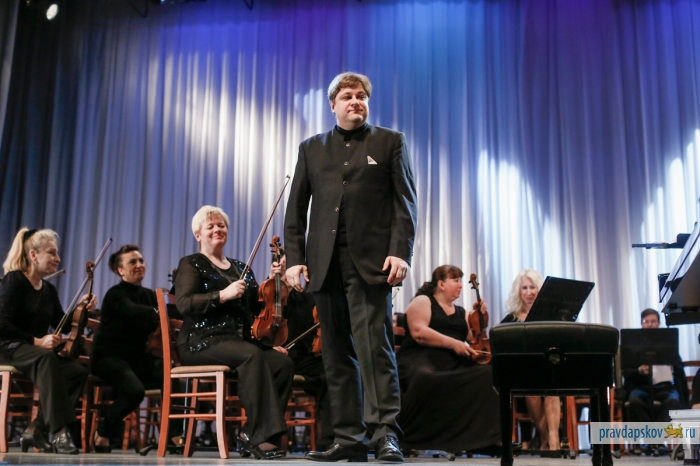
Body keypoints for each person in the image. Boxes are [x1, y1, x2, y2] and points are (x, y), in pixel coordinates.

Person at [285, 71, 418, 462]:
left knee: (376, 351)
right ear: (333, 105)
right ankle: (348, 438)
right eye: (347, 96)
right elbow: (296, 210)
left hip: (372, 264)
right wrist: (295, 259)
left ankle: (385, 435)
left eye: (361, 96)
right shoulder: (311, 148)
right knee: (336, 354)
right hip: (324, 265)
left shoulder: (390, 142)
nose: (355, 101)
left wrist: (401, 252)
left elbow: (405, 203)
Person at [173, 205, 294, 460]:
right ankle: (260, 436)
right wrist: (222, 295)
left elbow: (256, 309)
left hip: (236, 342)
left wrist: (273, 280)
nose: (217, 229)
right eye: (210, 226)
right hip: (200, 341)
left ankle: (254, 434)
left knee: (282, 363)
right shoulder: (191, 264)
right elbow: (183, 304)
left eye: (221, 225)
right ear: (198, 234)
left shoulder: (241, 268)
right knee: (250, 355)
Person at [0, 227, 96, 454]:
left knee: (76, 371)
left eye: (57, 253)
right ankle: (60, 432)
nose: (58, 258)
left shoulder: (49, 290)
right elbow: (1, 323)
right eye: (52, 253)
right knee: (46, 357)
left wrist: (82, 308)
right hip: (8, 347)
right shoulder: (14, 280)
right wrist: (36, 341)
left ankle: (36, 429)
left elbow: (62, 323)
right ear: (34, 255)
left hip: (33, 352)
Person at [396, 265, 500, 453]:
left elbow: (474, 339)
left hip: (453, 363)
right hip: (421, 357)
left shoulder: (462, 313)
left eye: (460, 280)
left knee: (486, 374)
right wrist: (453, 344)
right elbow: (419, 332)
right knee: (426, 377)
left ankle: (483, 441)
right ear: (441, 284)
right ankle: (413, 439)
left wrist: (480, 316)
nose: (460, 285)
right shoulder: (423, 301)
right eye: (455, 280)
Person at [90, 244, 164, 453]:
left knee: (171, 375)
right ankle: (103, 433)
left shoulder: (149, 295)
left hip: (136, 359)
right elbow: (133, 311)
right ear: (120, 270)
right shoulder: (115, 294)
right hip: (108, 358)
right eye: (133, 262)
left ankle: (175, 437)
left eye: (141, 261)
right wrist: (161, 310)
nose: (139, 264)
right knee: (134, 391)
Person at [270, 255, 333, 451]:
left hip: (302, 357)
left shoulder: (309, 297)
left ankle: (330, 439)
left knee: (333, 372)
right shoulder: (269, 292)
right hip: (274, 355)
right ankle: (269, 438)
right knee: (279, 367)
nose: (287, 267)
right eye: (283, 263)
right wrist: (277, 285)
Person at [501, 269, 561, 451]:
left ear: (539, 289)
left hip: (549, 368)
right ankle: (545, 437)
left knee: (552, 387)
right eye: (524, 288)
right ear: (519, 292)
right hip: (524, 371)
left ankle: (554, 441)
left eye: (532, 287)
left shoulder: (551, 316)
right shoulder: (511, 318)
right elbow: (501, 343)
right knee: (533, 390)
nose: (529, 292)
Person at [623, 309, 687, 424]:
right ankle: (652, 432)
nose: (649, 324)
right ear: (641, 324)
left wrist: (672, 366)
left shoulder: (668, 344)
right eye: (646, 321)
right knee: (634, 401)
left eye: (653, 321)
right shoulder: (633, 346)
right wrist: (639, 370)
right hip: (640, 386)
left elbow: (679, 368)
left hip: (665, 387)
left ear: (659, 323)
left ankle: (656, 433)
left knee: (673, 401)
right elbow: (626, 372)